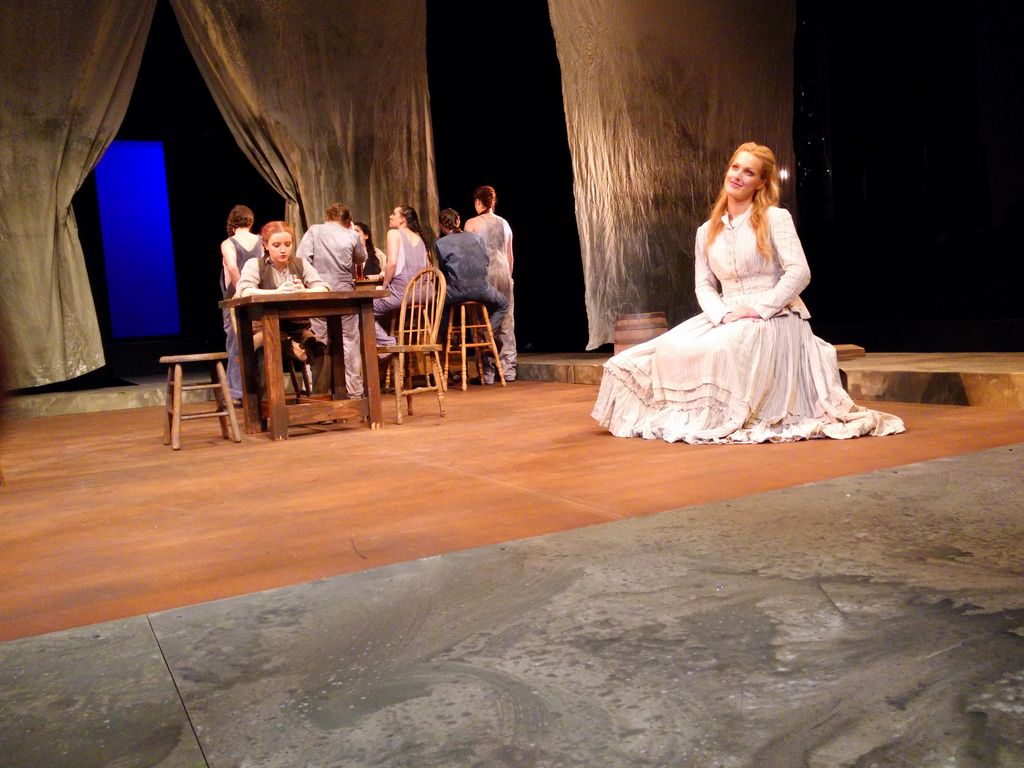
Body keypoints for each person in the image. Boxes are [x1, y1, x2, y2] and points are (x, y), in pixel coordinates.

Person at [592, 142, 905, 443]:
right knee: (660, 351)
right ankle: (686, 416)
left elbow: (799, 271)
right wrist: (722, 314)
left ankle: (723, 415)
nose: (738, 176)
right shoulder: (706, 231)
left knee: (722, 349)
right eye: (735, 167)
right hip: (726, 314)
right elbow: (704, 285)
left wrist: (759, 309)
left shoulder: (774, 218)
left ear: (761, 183)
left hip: (774, 315)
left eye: (749, 172)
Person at [296, 203, 367, 397]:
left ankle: (316, 389)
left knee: (318, 340)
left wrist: (312, 280)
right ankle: (354, 391)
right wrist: (353, 232)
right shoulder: (351, 234)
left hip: (320, 292)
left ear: (327, 217)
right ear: (348, 221)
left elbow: (301, 258)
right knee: (350, 340)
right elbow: (361, 258)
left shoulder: (314, 231)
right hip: (344, 294)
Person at [235, 220, 329, 364]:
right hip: (265, 327)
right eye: (276, 245)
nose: (283, 250)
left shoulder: (301, 264)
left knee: (319, 350)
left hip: (297, 328)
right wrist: (277, 293)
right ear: (266, 245)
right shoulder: (255, 265)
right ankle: (286, 344)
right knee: (267, 346)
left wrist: (306, 291)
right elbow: (245, 291)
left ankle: (290, 345)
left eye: (287, 244)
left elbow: (324, 287)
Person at [434, 207, 509, 378]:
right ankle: (487, 334)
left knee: (438, 302)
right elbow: (486, 261)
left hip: (458, 290)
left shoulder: (440, 243)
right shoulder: (476, 238)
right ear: (458, 221)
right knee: (503, 303)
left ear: (441, 226)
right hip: (482, 288)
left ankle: (450, 337)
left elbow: (444, 269)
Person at [464, 185, 517, 382]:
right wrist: (509, 277)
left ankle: (487, 372)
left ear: (478, 202)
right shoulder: (505, 223)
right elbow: (510, 256)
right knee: (506, 319)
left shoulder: (472, 223)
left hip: (484, 274)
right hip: (504, 272)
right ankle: (508, 369)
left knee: (481, 319)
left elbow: (469, 256)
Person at [220, 205, 262, 402]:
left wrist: (241, 290)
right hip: (257, 295)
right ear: (251, 221)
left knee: (236, 341)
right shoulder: (260, 241)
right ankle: (258, 389)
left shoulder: (228, 243)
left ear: (231, 223)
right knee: (257, 340)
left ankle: (237, 392)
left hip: (235, 297)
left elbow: (232, 267)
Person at [373, 205, 430, 347]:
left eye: (394, 214)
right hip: (425, 294)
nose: (390, 216)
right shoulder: (420, 238)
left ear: (402, 219)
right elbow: (429, 268)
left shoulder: (394, 233)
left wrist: (383, 287)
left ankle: (389, 343)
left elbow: (392, 263)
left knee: (363, 310)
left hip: (403, 294)